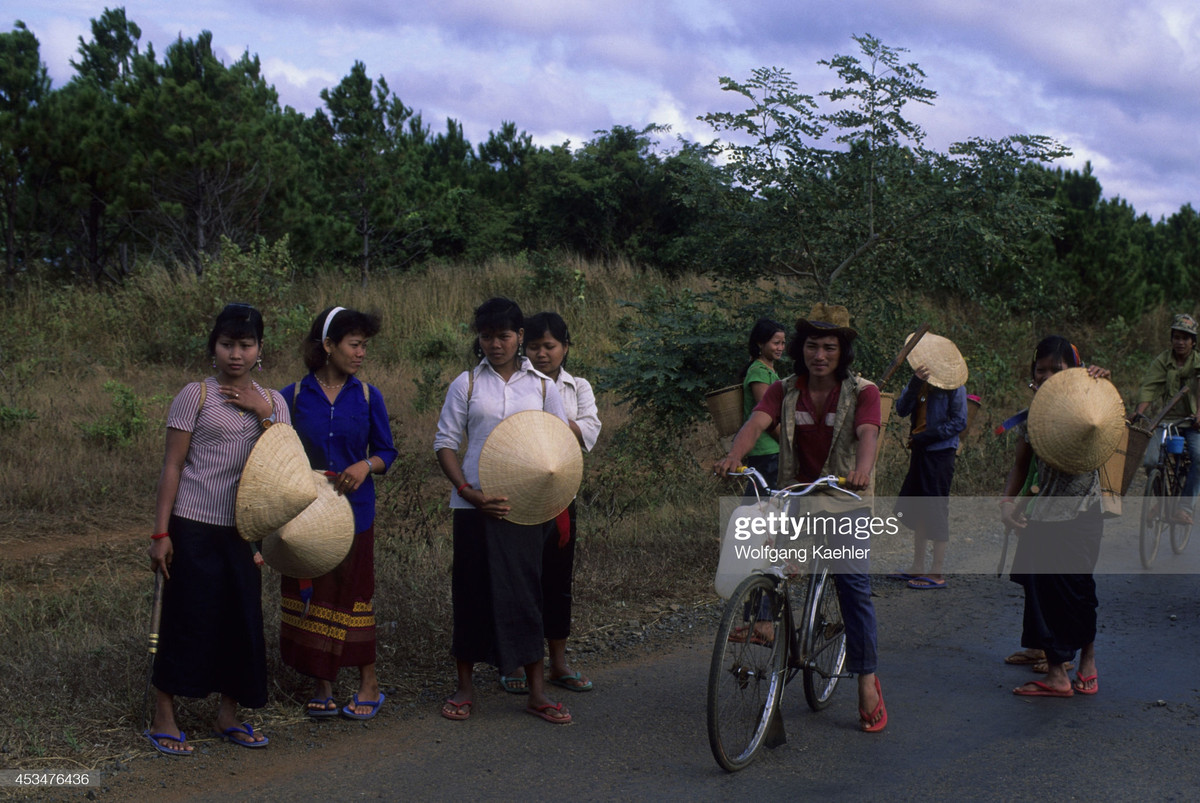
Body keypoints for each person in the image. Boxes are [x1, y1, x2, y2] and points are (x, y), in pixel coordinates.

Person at [714, 303, 887, 733]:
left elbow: (869, 433)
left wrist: (864, 469)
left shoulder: (862, 391)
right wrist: (734, 456)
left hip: (847, 497)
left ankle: (866, 677)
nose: (820, 355)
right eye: (812, 346)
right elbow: (756, 423)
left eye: (830, 347)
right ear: (800, 348)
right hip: (797, 493)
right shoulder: (785, 388)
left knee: (853, 587)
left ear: (842, 351)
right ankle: (771, 630)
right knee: (770, 564)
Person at [145, 303, 290, 755]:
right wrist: (160, 533)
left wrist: (259, 408)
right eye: (227, 344)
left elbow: (285, 466)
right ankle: (163, 714)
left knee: (240, 621)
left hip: (244, 531)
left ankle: (228, 714)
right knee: (188, 616)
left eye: (246, 345)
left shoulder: (276, 402)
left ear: (259, 350)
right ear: (213, 348)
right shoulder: (196, 396)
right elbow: (172, 466)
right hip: (193, 526)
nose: (236, 354)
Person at [434, 297, 573, 724]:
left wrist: (554, 498)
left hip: (526, 510)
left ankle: (536, 692)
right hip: (474, 507)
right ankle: (464, 687)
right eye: (487, 336)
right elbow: (444, 444)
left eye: (505, 336)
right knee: (471, 591)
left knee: (526, 594)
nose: (495, 344)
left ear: (520, 338)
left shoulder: (544, 388)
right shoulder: (467, 385)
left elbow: (560, 444)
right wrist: (468, 490)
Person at [279, 307, 398, 720]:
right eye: (354, 344)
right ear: (328, 346)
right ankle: (322, 683)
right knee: (314, 591)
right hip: (306, 515)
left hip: (355, 513)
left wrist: (366, 466)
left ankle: (369, 682)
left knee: (355, 592)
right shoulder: (291, 397)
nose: (362, 353)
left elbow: (387, 451)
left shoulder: (367, 397)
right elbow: (275, 453)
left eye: (365, 345)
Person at [495, 311, 603, 694]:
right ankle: (515, 663)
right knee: (519, 582)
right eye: (535, 347)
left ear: (565, 348)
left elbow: (589, 430)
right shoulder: (517, 384)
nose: (542, 354)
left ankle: (558, 663)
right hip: (518, 497)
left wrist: (551, 426)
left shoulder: (578, 387)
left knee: (557, 581)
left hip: (560, 497)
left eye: (550, 346)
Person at [999, 336, 1110, 697]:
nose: (1046, 376)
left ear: (1073, 370)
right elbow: (1021, 463)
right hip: (1043, 513)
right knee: (1042, 590)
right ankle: (1059, 673)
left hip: (1082, 511)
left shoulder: (1086, 404)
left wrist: (1098, 382)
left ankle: (1087, 664)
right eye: (1040, 370)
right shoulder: (1035, 414)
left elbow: (1105, 414)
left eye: (1055, 369)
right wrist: (1006, 502)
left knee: (1080, 590)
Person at [892, 334, 968, 589]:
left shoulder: (954, 387)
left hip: (940, 453)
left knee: (936, 508)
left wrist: (929, 436)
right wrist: (915, 384)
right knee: (918, 506)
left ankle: (936, 572)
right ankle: (917, 566)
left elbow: (959, 422)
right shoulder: (920, 381)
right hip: (921, 451)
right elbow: (901, 409)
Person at [1133, 313, 1200, 525]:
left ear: (1193, 342)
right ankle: (1162, 502)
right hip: (1167, 421)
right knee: (1152, 461)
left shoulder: (1198, 363)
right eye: (1176, 337)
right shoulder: (1163, 361)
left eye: (1185, 338)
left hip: (1193, 423)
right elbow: (1150, 386)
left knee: (1199, 458)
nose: (1180, 342)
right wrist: (1139, 410)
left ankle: (1184, 508)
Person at [741, 318, 786, 490]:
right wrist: (787, 442)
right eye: (776, 343)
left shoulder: (769, 371)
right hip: (766, 450)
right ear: (761, 343)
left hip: (772, 449)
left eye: (783, 343)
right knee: (762, 505)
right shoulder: (759, 371)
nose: (780, 348)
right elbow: (767, 416)